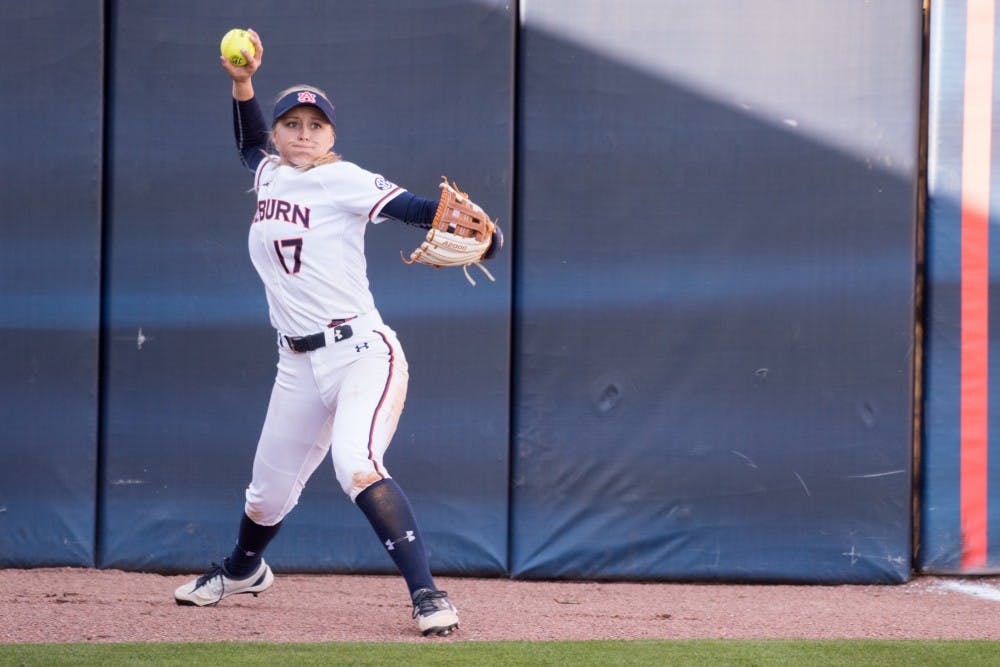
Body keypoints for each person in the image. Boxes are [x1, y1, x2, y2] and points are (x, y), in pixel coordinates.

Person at [173, 29, 482, 637]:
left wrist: (484, 240)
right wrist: (243, 86)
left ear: (332, 136)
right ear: (279, 132)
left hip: (362, 352)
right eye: (293, 122)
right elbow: (247, 146)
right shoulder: (267, 174)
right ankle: (242, 569)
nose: (304, 132)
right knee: (263, 498)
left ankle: (427, 594)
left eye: (316, 124)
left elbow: (420, 209)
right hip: (296, 365)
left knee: (357, 464)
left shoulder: (345, 179)